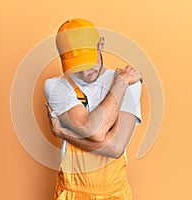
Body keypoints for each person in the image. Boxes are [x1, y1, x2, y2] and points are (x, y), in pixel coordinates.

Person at [44, 18, 142, 200]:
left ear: (101, 45)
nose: (85, 73)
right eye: (77, 67)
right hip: (71, 194)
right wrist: (120, 85)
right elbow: (94, 131)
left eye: (88, 64)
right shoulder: (56, 86)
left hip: (115, 194)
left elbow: (115, 148)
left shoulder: (130, 83)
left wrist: (64, 133)